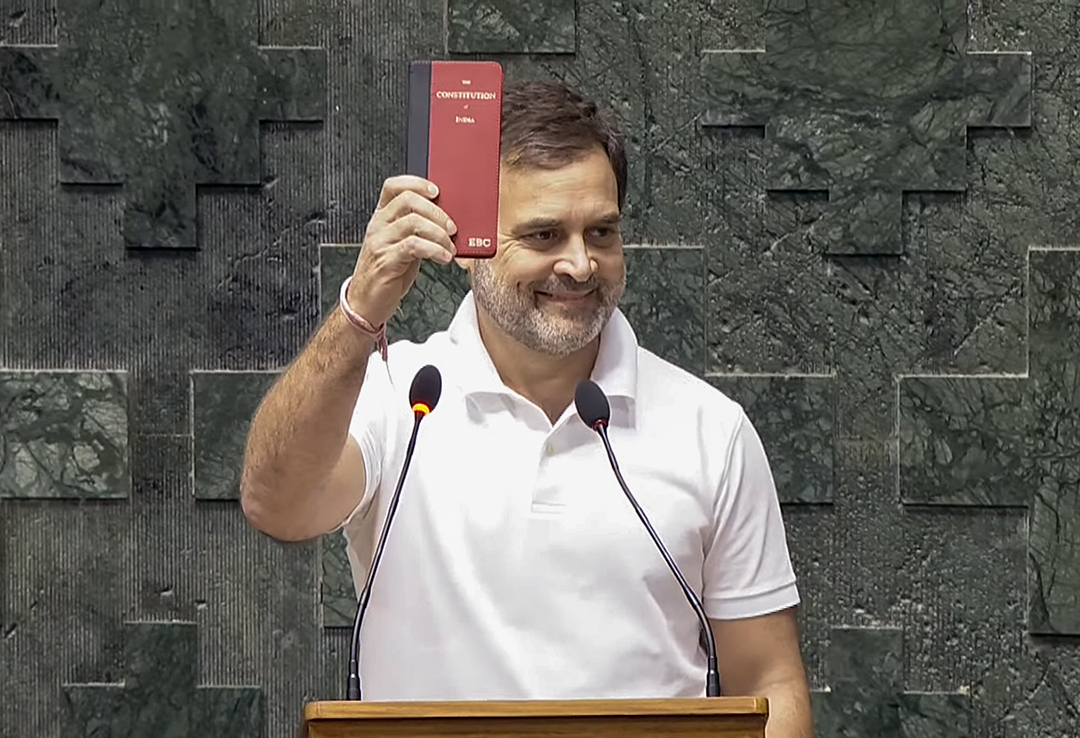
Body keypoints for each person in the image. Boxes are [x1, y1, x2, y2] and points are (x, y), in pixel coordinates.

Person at [240, 78, 814, 737]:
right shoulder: (399, 396)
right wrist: (361, 310)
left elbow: (770, 682)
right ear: (469, 245)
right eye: (543, 235)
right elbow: (275, 505)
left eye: (601, 232)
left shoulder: (711, 430)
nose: (579, 264)